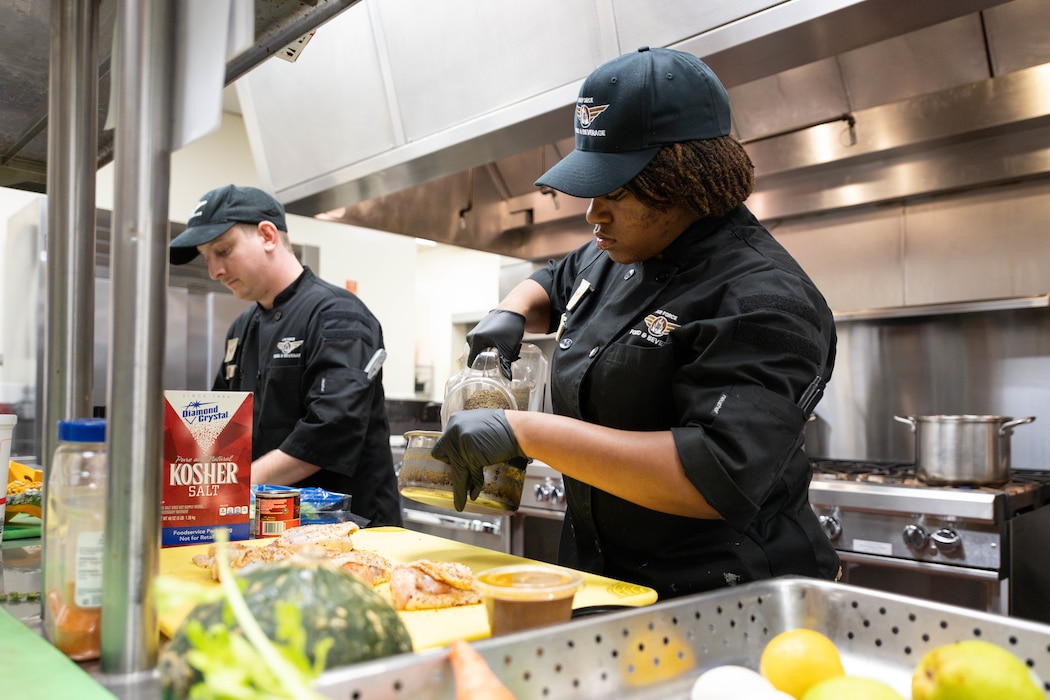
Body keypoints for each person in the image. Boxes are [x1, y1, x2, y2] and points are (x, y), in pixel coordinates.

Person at [432, 47, 839, 599]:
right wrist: (511, 310)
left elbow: (713, 475)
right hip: (605, 584)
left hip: (726, 599)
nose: (593, 213)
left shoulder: (765, 299)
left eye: (615, 191)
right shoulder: (618, 250)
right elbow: (555, 279)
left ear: (684, 178)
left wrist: (523, 431)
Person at [168, 184, 402, 527]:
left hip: (348, 532)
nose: (214, 271)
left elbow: (330, 429)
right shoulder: (241, 328)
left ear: (267, 235)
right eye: (208, 258)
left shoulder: (338, 315)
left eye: (223, 250)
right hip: (270, 530)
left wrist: (237, 486)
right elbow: (219, 426)